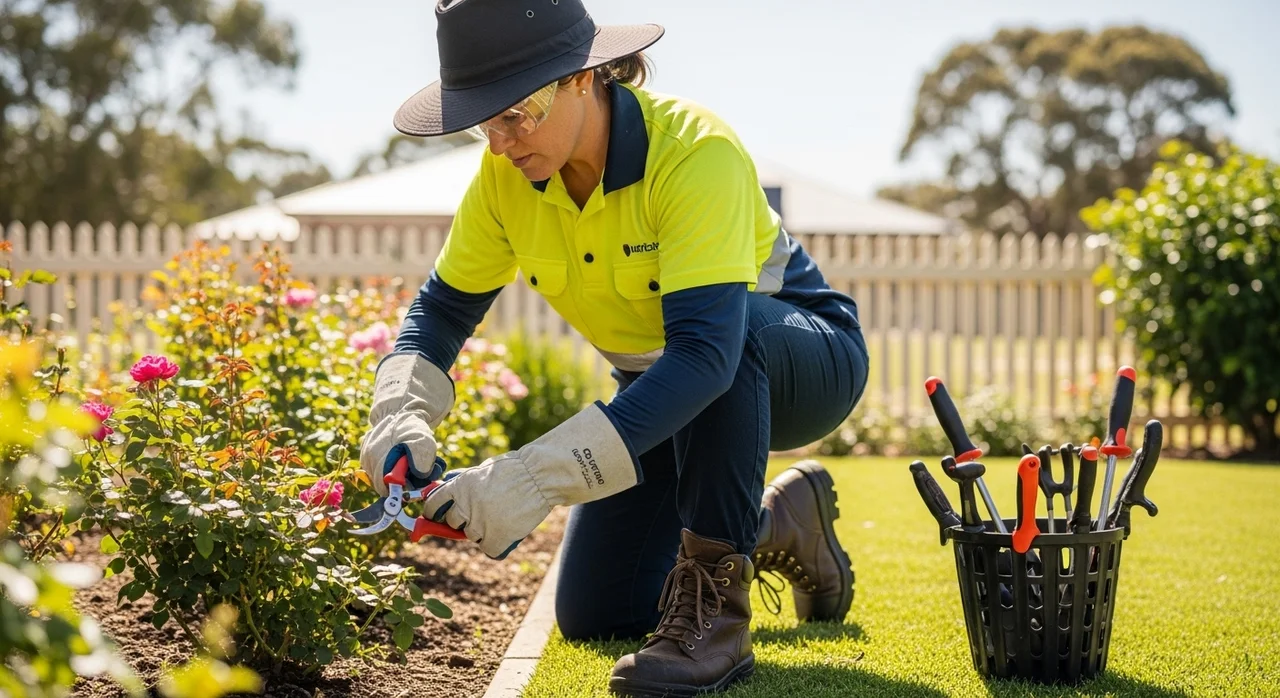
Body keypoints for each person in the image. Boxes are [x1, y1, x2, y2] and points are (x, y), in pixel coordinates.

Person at [359, 0, 869, 694]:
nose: (502, 143)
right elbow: (441, 311)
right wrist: (399, 416)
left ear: (582, 77)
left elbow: (705, 357)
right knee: (601, 611)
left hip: (800, 358)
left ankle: (717, 618)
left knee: (724, 335)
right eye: (486, 122)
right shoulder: (504, 180)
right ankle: (777, 524)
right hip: (673, 383)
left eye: (516, 113)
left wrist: (531, 478)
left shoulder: (694, 151)